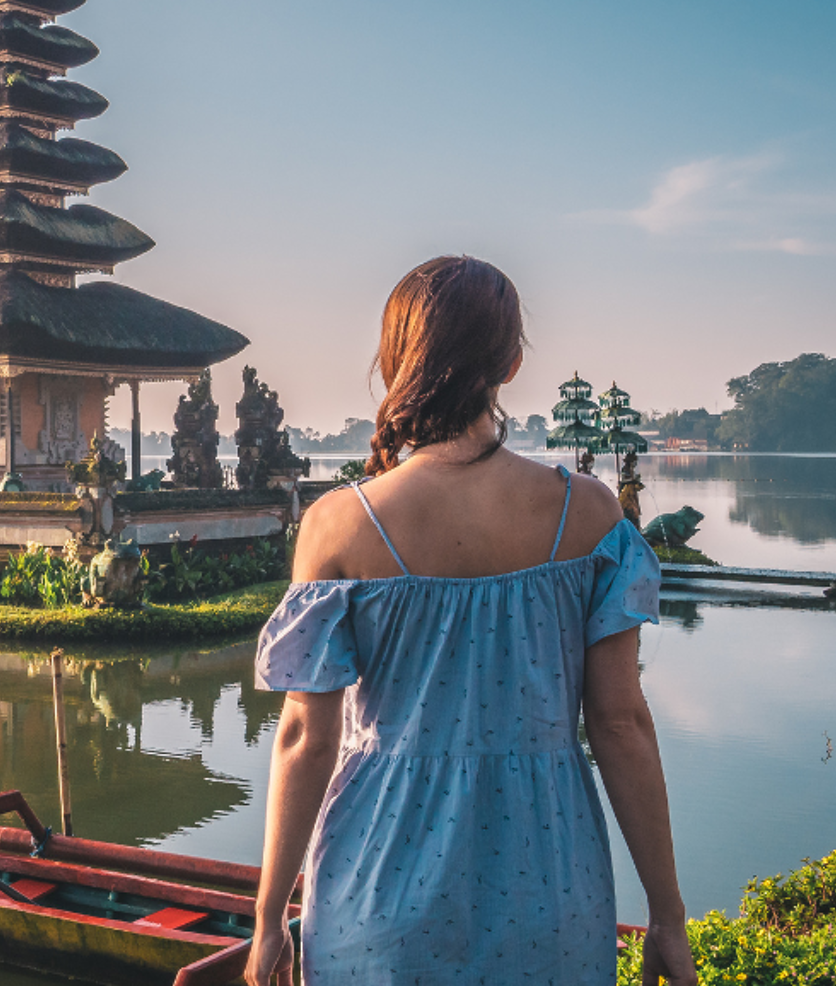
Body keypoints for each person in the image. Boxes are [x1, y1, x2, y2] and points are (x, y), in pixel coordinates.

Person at [244, 257, 696, 986]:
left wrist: (268, 923)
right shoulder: (589, 515)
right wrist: (668, 916)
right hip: (549, 887)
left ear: (393, 360)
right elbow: (621, 724)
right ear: (511, 363)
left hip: (376, 888)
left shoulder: (337, 527)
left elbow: (305, 736)